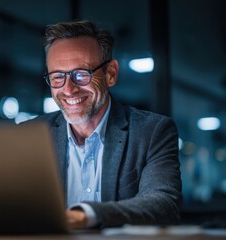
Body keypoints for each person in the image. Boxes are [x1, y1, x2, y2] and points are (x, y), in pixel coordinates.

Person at [30, 20, 182, 229]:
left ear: (110, 73)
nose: (69, 89)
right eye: (57, 77)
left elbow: (164, 204)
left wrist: (86, 215)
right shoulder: (31, 136)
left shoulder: (152, 131)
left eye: (81, 74)